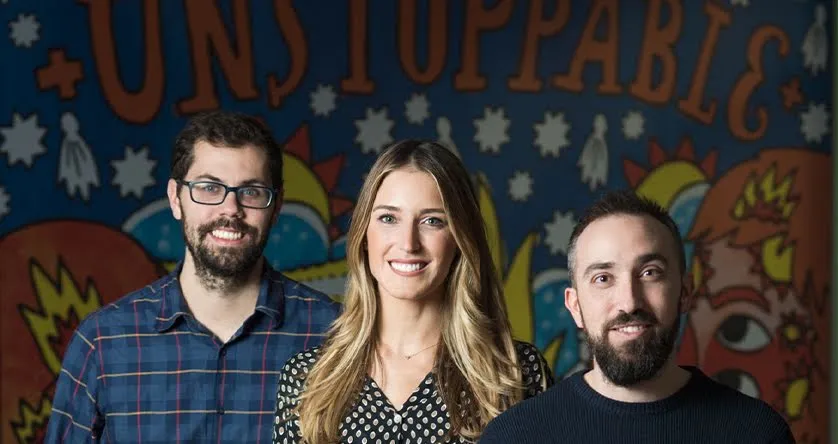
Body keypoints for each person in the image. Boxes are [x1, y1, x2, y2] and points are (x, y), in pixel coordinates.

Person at [45, 111, 341, 443]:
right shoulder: (103, 341)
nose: (231, 209)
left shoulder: (335, 336)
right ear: (176, 198)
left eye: (252, 191)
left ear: (276, 206)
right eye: (209, 188)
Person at [272, 140, 554, 443]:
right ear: (364, 234)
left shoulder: (517, 373)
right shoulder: (308, 379)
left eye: (432, 221)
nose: (408, 243)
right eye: (389, 218)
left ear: (460, 239)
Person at [478, 190, 796, 443]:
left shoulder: (757, 433)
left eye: (649, 273)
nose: (629, 302)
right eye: (603, 278)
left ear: (685, 291)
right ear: (574, 306)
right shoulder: (514, 437)